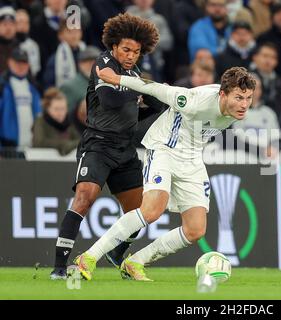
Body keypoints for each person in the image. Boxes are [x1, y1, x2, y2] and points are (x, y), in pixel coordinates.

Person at [74, 66, 256, 281]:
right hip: (164, 149)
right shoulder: (194, 99)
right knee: (151, 211)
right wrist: (116, 78)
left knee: (195, 230)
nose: (244, 105)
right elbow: (154, 88)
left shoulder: (235, 109)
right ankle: (88, 257)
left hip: (192, 159)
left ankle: (135, 262)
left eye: (248, 98)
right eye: (239, 98)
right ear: (222, 94)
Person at [50, 13, 161, 280]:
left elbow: (153, 106)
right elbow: (109, 99)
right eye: (126, 49)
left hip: (125, 150)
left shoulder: (132, 74)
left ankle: (117, 252)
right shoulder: (103, 64)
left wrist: (152, 95)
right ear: (113, 46)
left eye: (136, 51)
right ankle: (59, 267)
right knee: (84, 198)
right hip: (98, 145)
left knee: (141, 212)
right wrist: (143, 90)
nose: (131, 55)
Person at [0, 47, 41, 148]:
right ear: (10, 62)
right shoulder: (2, 86)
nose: (21, 66)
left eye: (24, 63)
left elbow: (39, 116)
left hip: (31, 146)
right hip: (8, 147)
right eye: (17, 62)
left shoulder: (33, 87)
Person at [32, 88, 80, 155]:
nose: (60, 113)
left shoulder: (69, 122)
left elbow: (80, 141)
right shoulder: (40, 121)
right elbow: (38, 142)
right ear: (47, 108)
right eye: (56, 109)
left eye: (63, 108)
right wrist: (64, 145)